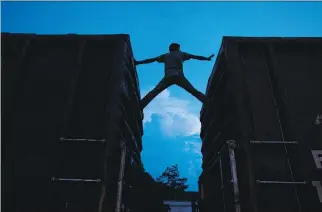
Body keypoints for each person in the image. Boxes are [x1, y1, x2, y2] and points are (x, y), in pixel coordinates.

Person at [134, 43, 214, 109]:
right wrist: (206, 58)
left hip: (168, 76)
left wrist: (138, 62)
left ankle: (139, 106)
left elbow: (152, 60)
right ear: (178, 48)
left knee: (154, 92)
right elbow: (195, 57)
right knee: (194, 91)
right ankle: (210, 104)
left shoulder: (166, 55)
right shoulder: (181, 54)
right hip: (179, 75)